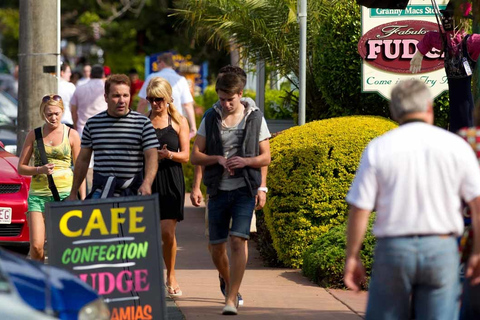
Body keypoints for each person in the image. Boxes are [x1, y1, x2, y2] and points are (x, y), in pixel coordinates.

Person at [344, 79, 480, 320]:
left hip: (393, 249)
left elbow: (360, 208)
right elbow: (477, 206)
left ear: (395, 111)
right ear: (429, 107)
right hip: (441, 248)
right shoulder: (456, 146)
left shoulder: (379, 148)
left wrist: (353, 256)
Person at [191, 68, 271, 315]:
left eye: (230, 99)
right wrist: (217, 158)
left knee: (238, 240)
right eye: (221, 99)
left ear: (240, 94)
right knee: (216, 247)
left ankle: (231, 297)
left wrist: (250, 169)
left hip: (244, 190)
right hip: (217, 190)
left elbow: (266, 156)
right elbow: (195, 155)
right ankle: (227, 281)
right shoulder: (210, 117)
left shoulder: (255, 118)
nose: (225, 104)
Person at [67, 74, 159, 200]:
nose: (122, 100)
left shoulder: (142, 123)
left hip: (132, 193)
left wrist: (147, 183)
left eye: (125, 95)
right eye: (116, 95)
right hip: (102, 192)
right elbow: (83, 160)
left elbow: (152, 155)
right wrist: (73, 192)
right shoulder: (93, 124)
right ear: (106, 97)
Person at [17, 94, 85, 261]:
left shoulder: (72, 134)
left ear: (62, 112)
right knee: (36, 246)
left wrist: (81, 197)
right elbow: (21, 168)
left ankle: (60, 281)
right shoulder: (34, 135)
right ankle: (41, 281)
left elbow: (80, 169)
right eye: (49, 114)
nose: (53, 118)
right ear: (43, 114)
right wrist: (39, 169)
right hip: (38, 196)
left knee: (63, 247)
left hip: (65, 195)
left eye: (56, 113)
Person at [146, 77, 190, 297]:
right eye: (151, 99)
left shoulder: (179, 121)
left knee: (167, 232)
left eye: (159, 99)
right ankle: (150, 277)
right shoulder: (143, 122)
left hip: (171, 179)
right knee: (148, 233)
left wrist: (168, 154)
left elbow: (186, 155)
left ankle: (171, 274)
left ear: (169, 98)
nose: (155, 104)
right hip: (148, 180)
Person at [410, 0, 480, 133]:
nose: (446, 19)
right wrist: (419, 53)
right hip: (453, 103)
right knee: (455, 130)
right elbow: (430, 38)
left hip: (466, 104)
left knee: (467, 130)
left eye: (450, 16)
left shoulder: (469, 42)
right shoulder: (444, 42)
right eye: (445, 16)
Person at [137, 53, 197, 138]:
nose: (157, 65)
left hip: (153, 124)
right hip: (176, 124)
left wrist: (136, 123)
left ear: (161, 62)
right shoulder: (181, 80)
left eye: (157, 63)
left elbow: (143, 102)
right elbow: (187, 105)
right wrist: (193, 127)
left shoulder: (152, 77)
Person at [58, 62, 76, 126]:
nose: (70, 74)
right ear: (62, 73)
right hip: (68, 120)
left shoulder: (52, 85)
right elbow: (75, 105)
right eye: (68, 72)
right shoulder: (70, 86)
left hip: (56, 122)